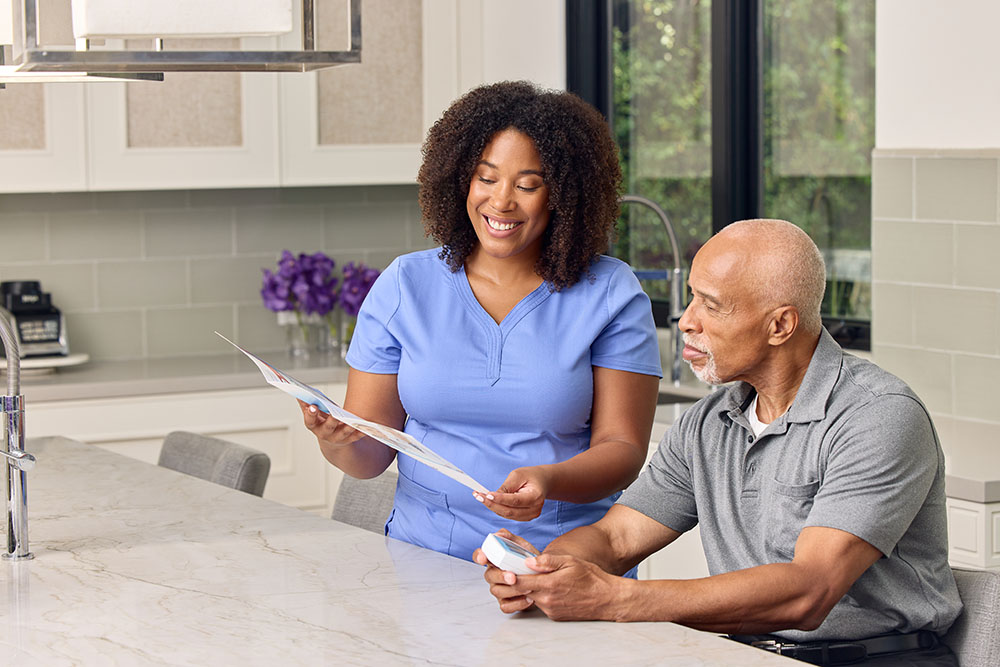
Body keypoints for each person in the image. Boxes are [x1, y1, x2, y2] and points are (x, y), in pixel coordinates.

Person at [475, 219, 963, 666]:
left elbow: (809, 591)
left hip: (873, 660)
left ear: (780, 325)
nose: (687, 320)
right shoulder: (709, 422)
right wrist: (545, 572)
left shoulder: (878, 416)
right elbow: (616, 538)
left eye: (711, 305)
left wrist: (615, 599)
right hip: (744, 654)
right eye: (691, 298)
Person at [300, 80, 662, 561]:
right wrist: (335, 441)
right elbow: (370, 458)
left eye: (528, 185)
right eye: (486, 178)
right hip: (422, 557)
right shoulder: (405, 285)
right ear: (460, 179)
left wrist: (548, 481)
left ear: (565, 195)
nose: (501, 201)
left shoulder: (611, 293)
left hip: (559, 559)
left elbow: (623, 450)